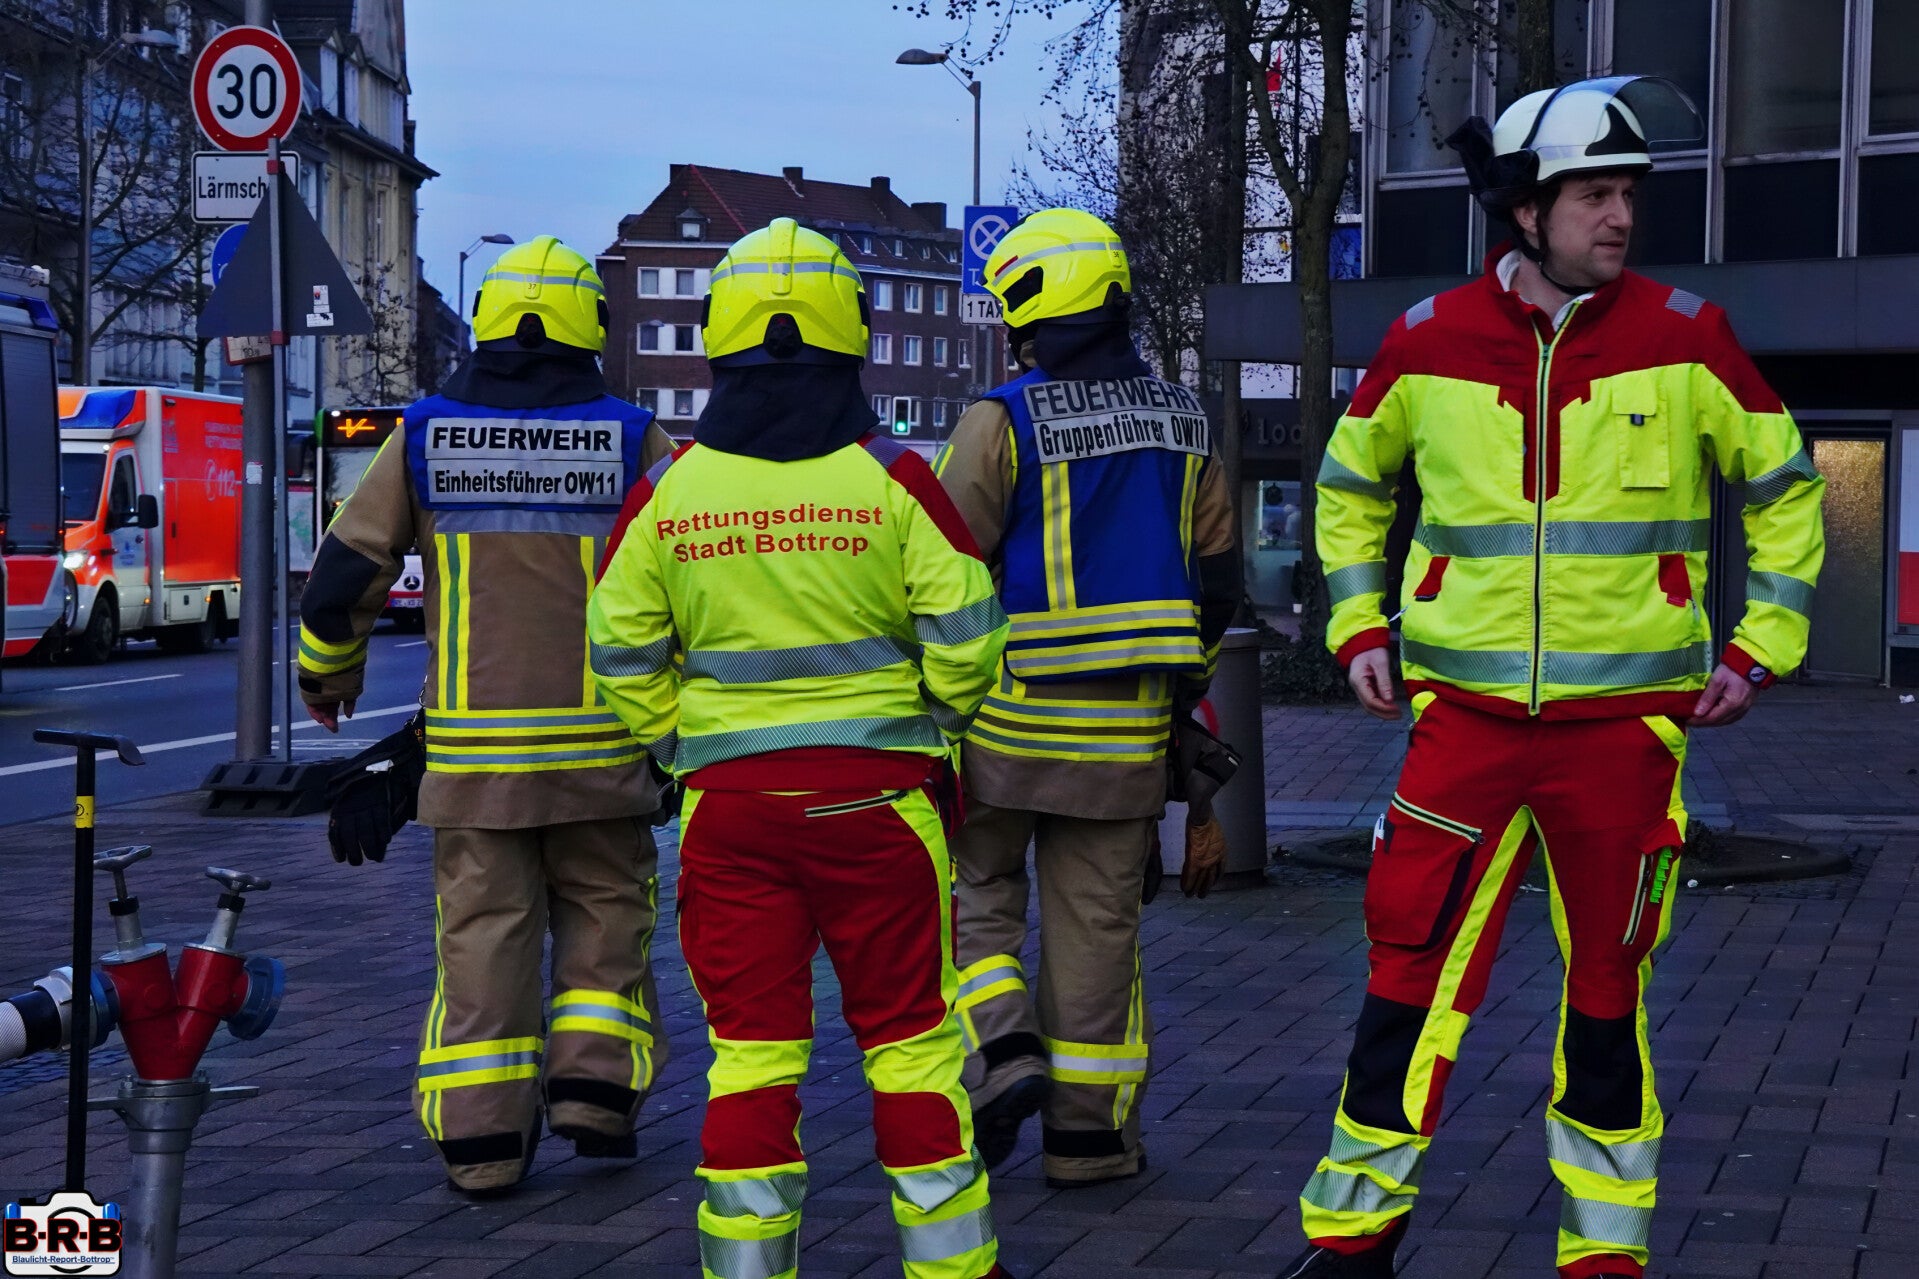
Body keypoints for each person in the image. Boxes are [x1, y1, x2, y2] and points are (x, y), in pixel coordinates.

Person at [1283, 77, 1826, 1279]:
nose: (1618, 216)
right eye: (1592, 193)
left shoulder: (1686, 337)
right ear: (1522, 211)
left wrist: (1758, 649)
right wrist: (1358, 624)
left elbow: (1787, 496)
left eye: (1626, 193)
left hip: (1623, 742)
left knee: (1605, 1001)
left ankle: (1604, 1254)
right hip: (1461, 730)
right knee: (1402, 986)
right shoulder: (1425, 342)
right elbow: (1345, 489)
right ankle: (1352, 1238)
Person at [587, 217, 1015, 1279]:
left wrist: (682, 741)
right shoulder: (891, 480)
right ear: (851, 336)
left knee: (751, 1062)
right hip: (880, 807)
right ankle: (951, 1270)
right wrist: (933, 728)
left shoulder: (671, 491)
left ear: (718, 336)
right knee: (912, 1047)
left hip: (729, 814)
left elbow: (615, 646)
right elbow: (969, 634)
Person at [298, 235, 678, 1195]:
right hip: (607, 752)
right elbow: (689, 578)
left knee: (484, 935)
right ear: (590, 325)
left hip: (475, 766)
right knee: (605, 916)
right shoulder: (635, 438)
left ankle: (481, 1142)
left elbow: (346, 568)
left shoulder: (425, 434)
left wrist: (328, 677)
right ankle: (594, 1090)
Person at [933, 208, 1241, 1188]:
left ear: (1030, 302)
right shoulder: (1183, 420)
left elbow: (938, 573)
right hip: (1122, 742)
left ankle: (1002, 1042)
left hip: (1003, 732)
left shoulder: (999, 421)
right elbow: (1219, 585)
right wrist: (1178, 698)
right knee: (1097, 935)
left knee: (977, 896)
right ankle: (1088, 1140)